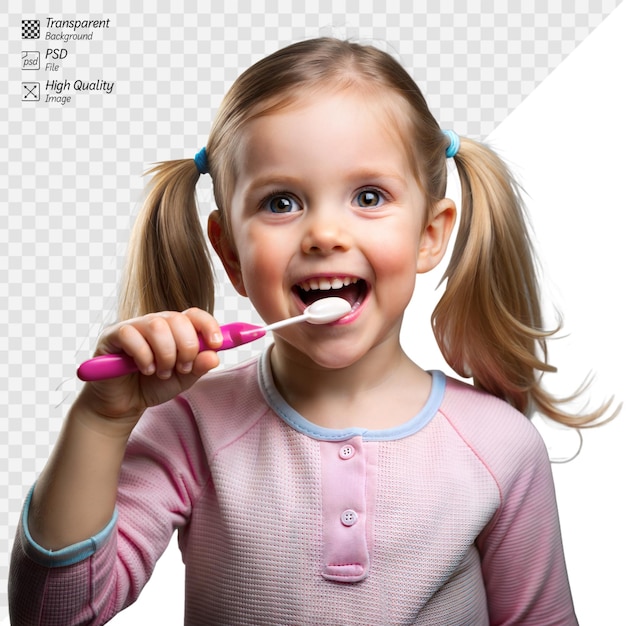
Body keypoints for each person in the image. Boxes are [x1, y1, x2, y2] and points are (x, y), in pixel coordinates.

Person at [9, 37, 612, 625]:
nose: (324, 234)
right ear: (232, 255)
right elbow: (53, 616)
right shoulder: (192, 421)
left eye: (369, 196)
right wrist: (100, 420)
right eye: (280, 203)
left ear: (430, 234)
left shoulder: (500, 444)